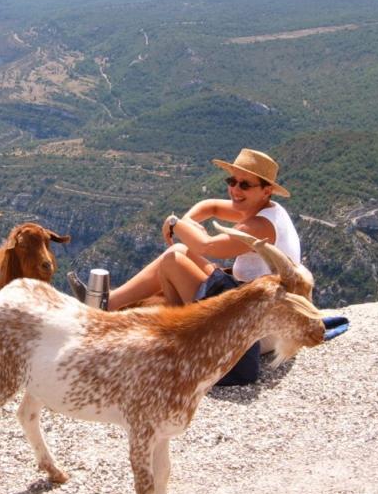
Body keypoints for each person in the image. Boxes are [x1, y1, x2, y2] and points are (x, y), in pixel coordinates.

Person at [106, 148, 300, 383]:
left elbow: (207, 247)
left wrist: (176, 224)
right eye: (232, 181)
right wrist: (189, 222)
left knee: (172, 261)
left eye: (245, 185)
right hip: (252, 304)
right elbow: (210, 206)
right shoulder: (262, 208)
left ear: (266, 190)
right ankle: (110, 301)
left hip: (258, 329)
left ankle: (175, 338)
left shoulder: (260, 225)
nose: (235, 190)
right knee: (178, 250)